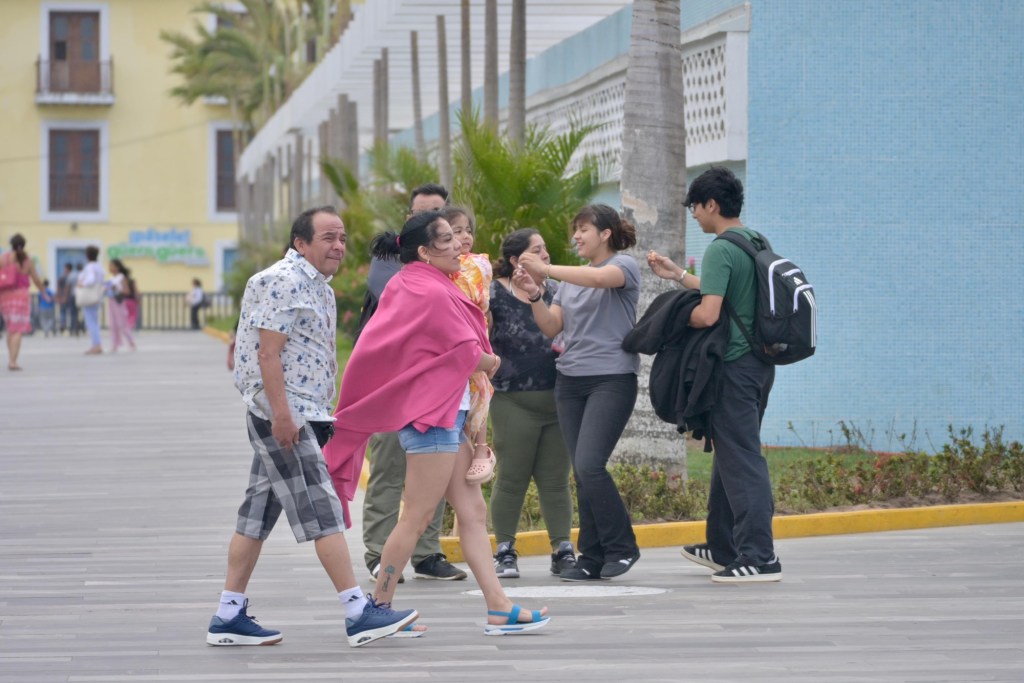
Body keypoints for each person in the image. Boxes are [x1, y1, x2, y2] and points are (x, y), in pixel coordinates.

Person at [323, 210, 549, 636]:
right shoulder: (425, 289)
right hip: (432, 416)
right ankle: (377, 607)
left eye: (459, 235)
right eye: (447, 238)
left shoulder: (418, 282)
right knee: (418, 515)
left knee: (472, 511)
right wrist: (492, 362)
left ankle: (499, 607)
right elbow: (464, 351)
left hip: (443, 412)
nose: (459, 244)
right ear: (425, 251)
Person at [207, 206, 418, 649]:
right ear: (300, 243)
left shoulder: (317, 285)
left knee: (255, 516)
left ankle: (227, 614)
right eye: (327, 238)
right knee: (324, 512)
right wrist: (282, 416)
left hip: (303, 411)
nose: (339, 246)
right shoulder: (283, 280)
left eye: (341, 238)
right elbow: (268, 353)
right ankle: (358, 612)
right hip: (287, 416)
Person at [646, 167, 782, 583]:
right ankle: (723, 546)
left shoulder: (721, 248)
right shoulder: (755, 241)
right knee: (731, 453)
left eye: (695, 207)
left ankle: (760, 556)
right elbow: (729, 292)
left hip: (733, 369)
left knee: (741, 459)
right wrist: (678, 275)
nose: (694, 215)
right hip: (759, 366)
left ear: (712, 204)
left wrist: (672, 317)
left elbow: (709, 313)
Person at [513, 204, 642, 582]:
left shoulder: (624, 266)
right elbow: (552, 327)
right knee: (583, 472)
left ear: (605, 233)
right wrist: (534, 295)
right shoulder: (569, 280)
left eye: (584, 229)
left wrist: (546, 271)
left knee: (589, 464)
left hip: (611, 378)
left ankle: (622, 547)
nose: (576, 236)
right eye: (576, 230)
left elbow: (600, 280)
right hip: (570, 382)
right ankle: (592, 556)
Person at [357, 184, 467, 583]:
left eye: (440, 211)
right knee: (389, 466)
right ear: (409, 218)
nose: (433, 217)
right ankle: (378, 552)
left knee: (435, 471)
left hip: (437, 388)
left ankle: (427, 553)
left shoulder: (457, 263)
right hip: (391, 385)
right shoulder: (393, 262)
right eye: (424, 212)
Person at [488, 229, 576, 579]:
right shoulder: (493, 293)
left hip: (558, 401)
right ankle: (505, 551)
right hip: (513, 400)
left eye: (545, 249)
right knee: (512, 477)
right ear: (515, 260)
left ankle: (562, 549)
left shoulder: (556, 291)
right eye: (536, 250)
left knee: (556, 480)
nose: (546, 255)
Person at [441, 206, 496, 484]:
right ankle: (470, 446)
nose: (465, 237)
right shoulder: (442, 268)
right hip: (458, 336)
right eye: (456, 232)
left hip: (473, 333)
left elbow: (478, 299)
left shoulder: (477, 264)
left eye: (467, 231)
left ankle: (482, 448)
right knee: (468, 392)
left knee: (480, 385)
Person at [0, 234, 51, 370]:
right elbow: (36, 280)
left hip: (4, 297)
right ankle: (13, 361)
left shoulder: (3, 258)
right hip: (21, 297)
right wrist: (44, 292)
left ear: (11, 244)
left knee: (10, 329)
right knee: (17, 330)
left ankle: (10, 358)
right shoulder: (26, 260)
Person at [106, 259, 137, 352]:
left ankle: (131, 341)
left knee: (122, 324)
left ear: (117, 267)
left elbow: (127, 291)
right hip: (111, 301)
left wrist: (116, 289)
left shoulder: (122, 277)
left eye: (112, 266)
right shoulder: (111, 278)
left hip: (119, 302)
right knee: (113, 324)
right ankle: (114, 344)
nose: (110, 268)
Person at [77, 248, 104, 355]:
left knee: (90, 322)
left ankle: (96, 345)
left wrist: (82, 284)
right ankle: (97, 344)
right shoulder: (99, 267)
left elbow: (91, 280)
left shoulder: (90, 267)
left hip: (89, 296)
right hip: (97, 296)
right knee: (95, 322)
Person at [56, 263, 76, 335]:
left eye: (65, 268)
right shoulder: (74, 277)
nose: (64, 270)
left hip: (66, 297)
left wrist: (61, 297)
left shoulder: (67, 277)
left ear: (67, 269)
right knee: (70, 313)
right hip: (70, 297)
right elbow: (58, 287)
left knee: (64, 313)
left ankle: (65, 325)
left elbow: (62, 288)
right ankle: (69, 327)